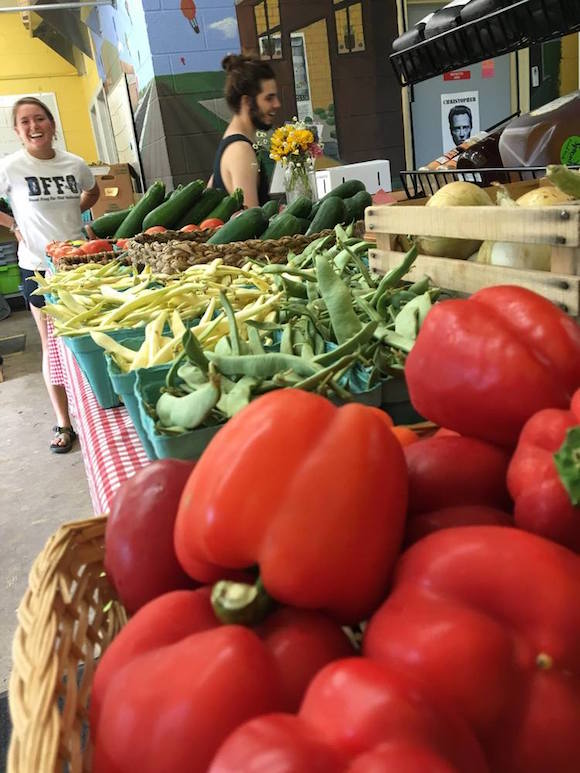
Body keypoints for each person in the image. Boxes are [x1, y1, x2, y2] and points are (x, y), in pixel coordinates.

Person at [0, 96, 100, 453]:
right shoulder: (10, 167)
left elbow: (93, 190)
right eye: (25, 121)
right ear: (17, 130)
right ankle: (64, 421)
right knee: (53, 345)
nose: (34, 126)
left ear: (52, 124)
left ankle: (97, 410)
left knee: (91, 338)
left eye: (39, 118)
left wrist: (75, 212)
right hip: (39, 267)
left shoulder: (73, 163)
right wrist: (13, 225)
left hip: (79, 265)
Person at [210, 54, 281, 208]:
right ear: (247, 101)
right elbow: (251, 220)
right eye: (269, 98)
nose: (277, 104)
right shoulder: (241, 151)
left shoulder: (232, 143)